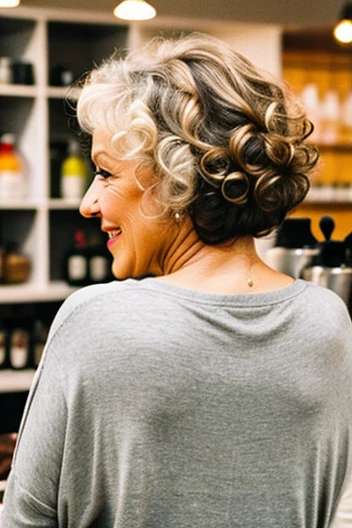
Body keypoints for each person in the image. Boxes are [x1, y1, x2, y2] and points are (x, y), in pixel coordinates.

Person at [2, 34, 352, 528]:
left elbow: (25, 518)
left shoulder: (98, 321)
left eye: (105, 173)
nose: (88, 204)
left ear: (175, 181)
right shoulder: (327, 320)